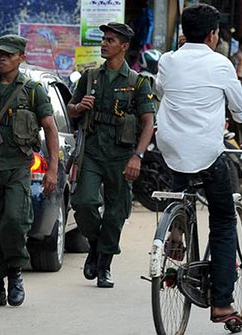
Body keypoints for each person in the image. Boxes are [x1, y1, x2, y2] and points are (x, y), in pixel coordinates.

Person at [155, 3, 242, 329]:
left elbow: (160, 90)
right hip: (206, 152)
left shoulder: (167, 60)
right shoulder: (221, 65)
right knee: (224, 219)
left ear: (184, 33)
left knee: (181, 175)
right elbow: (241, 113)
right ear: (213, 35)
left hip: (171, 149)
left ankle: (176, 226)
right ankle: (222, 304)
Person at [0, 34, 59, 308]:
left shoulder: (32, 90)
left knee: (15, 223)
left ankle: (16, 274)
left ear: (21, 57)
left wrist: (52, 169)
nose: (2, 58)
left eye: (8, 54)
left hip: (18, 168)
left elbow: (51, 129)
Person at [67, 22, 155, 288]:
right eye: (103, 39)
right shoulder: (91, 77)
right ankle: (95, 244)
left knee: (117, 212)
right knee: (83, 202)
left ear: (124, 47)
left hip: (121, 155)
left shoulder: (138, 82)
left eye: (110, 40)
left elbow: (148, 122)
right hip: (92, 152)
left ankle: (104, 264)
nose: (104, 44)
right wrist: (79, 107)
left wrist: (137, 157)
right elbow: (71, 109)